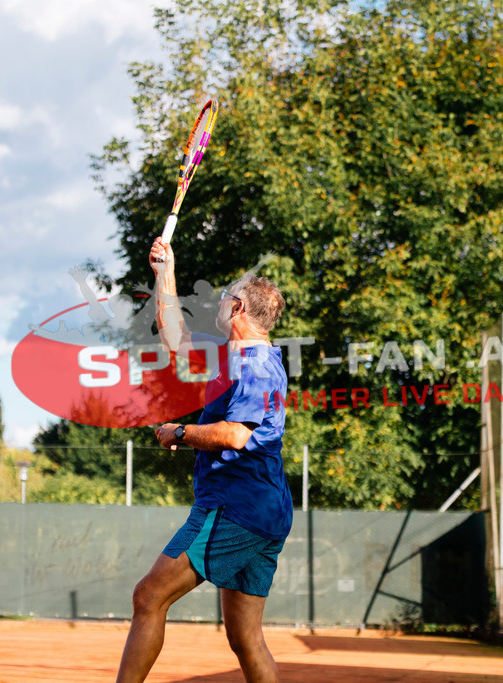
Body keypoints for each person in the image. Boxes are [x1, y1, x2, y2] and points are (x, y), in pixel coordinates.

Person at [116, 238, 291, 683]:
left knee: (148, 597)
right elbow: (175, 336)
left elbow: (235, 435)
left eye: (226, 296)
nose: (219, 299)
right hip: (262, 508)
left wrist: (180, 432)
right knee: (246, 638)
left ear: (236, 309)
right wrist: (165, 272)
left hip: (236, 508)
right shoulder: (231, 353)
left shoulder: (254, 365)